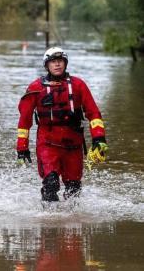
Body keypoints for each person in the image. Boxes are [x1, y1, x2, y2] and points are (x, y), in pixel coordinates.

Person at [16, 47, 108, 202]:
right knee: (50, 184)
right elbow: (24, 120)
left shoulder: (78, 85)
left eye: (60, 61)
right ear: (47, 66)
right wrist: (22, 147)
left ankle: (70, 222)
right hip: (47, 144)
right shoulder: (36, 88)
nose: (57, 64)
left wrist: (98, 138)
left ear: (65, 63)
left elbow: (93, 113)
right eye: (53, 62)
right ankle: (49, 222)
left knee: (74, 189)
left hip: (73, 145)